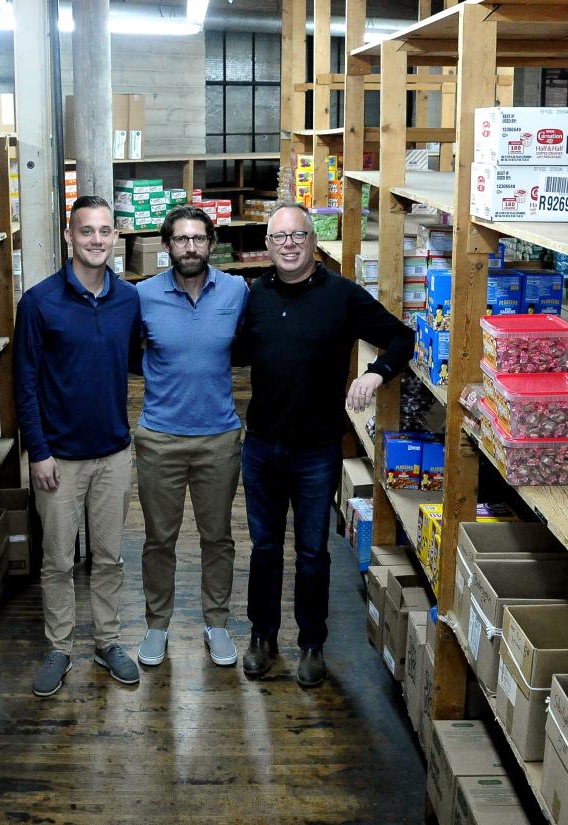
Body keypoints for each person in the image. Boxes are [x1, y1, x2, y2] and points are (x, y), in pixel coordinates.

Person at [236, 202, 414, 688]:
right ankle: (261, 637)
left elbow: (401, 337)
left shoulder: (342, 296)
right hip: (262, 445)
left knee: (313, 551)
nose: (289, 244)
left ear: (313, 241)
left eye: (298, 235)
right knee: (265, 548)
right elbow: (230, 350)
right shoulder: (256, 296)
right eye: (279, 237)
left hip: (316, 449)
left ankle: (312, 643)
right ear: (267, 247)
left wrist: (376, 373)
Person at [14, 194, 142, 697]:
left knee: (110, 557)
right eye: (85, 231)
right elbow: (24, 383)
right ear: (69, 237)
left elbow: (131, 364)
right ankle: (60, 647)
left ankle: (108, 642)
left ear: (115, 237)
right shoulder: (40, 302)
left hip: (113, 451)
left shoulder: (127, 299)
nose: (96, 240)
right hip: (58, 459)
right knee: (58, 561)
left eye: (104, 231)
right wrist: (38, 451)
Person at [132, 206, 249, 668]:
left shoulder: (237, 291)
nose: (191, 248)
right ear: (167, 246)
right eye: (181, 239)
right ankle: (156, 625)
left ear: (211, 243)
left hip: (219, 436)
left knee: (217, 537)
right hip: (160, 436)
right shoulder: (142, 296)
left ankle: (216, 622)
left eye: (199, 239)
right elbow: (124, 353)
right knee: (159, 539)